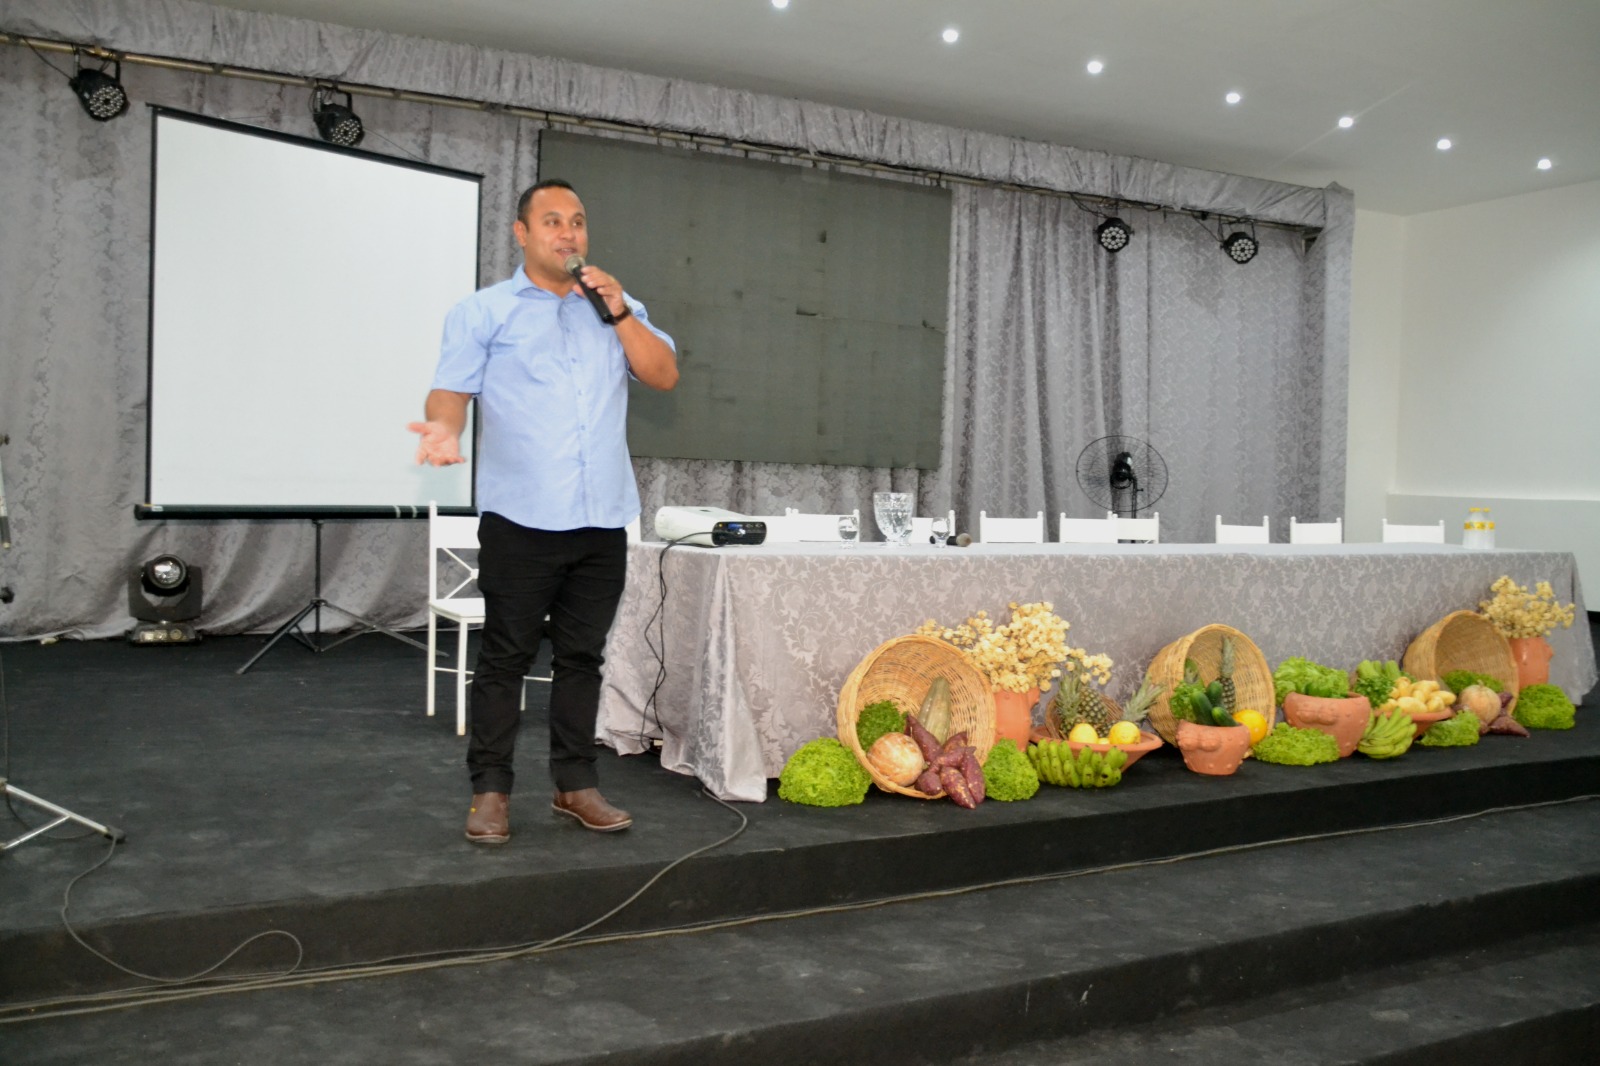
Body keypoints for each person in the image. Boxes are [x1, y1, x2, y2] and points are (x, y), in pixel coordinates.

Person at [410, 178, 678, 845]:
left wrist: (620, 313)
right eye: (553, 221)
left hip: (600, 518)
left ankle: (575, 784)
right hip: (522, 518)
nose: (569, 233)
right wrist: (443, 430)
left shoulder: (617, 305)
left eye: (578, 222)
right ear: (522, 234)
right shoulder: (484, 311)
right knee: (505, 657)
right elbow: (450, 392)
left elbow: (664, 374)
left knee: (582, 658)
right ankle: (491, 792)